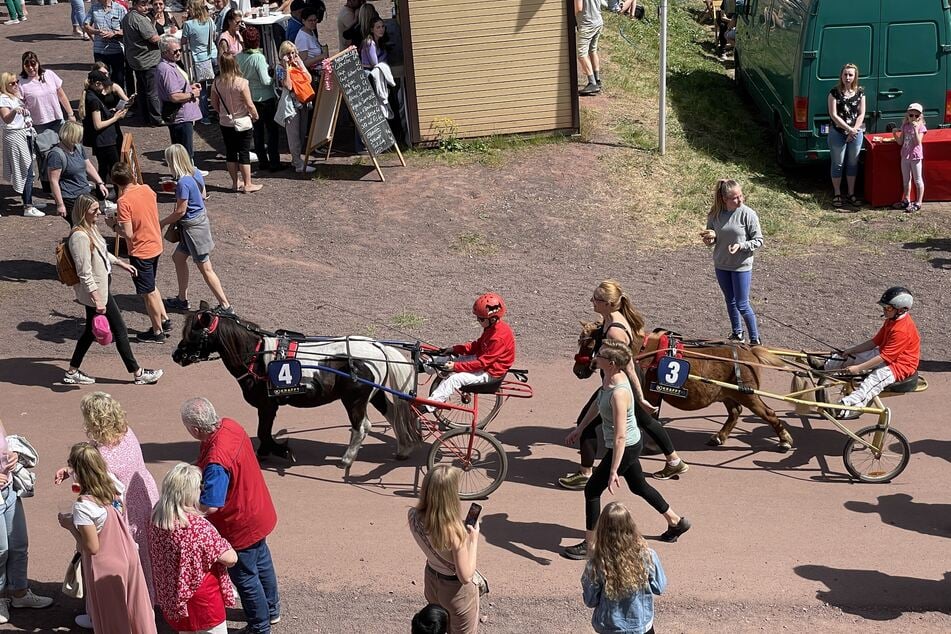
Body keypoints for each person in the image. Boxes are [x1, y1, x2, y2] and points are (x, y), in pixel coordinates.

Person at [563, 340, 691, 560]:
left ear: (611, 363)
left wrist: (613, 470)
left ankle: (590, 545)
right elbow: (597, 402)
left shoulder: (619, 393)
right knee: (639, 486)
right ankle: (676, 522)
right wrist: (581, 428)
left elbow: (621, 437)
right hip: (627, 445)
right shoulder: (609, 378)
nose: (596, 357)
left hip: (626, 447)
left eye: (601, 355)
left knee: (592, 490)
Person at [559, 281, 688, 491]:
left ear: (609, 303)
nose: (591, 301)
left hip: (619, 382)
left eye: (596, 299)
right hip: (622, 379)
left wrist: (639, 395)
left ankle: (585, 473)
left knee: (586, 422)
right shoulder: (611, 318)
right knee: (645, 420)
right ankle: (674, 461)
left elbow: (627, 364)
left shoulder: (614, 332)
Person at [180, 397, 281, 634]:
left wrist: (184, 510)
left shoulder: (216, 461)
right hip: (258, 511)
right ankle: (272, 610)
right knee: (263, 562)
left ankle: (259, 626)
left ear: (195, 429)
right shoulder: (230, 426)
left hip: (238, 525)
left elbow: (211, 505)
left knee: (245, 577)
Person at [64, 194, 164, 386]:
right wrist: (98, 299)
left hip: (100, 291)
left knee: (89, 333)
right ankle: (138, 372)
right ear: (83, 212)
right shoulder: (79, 237)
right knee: (120, 330)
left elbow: (102, 252)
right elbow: (84, 272)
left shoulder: (90, 230)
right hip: (98, 294)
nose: (99, 213)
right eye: (94, 210)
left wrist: (120, 263)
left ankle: (72, 371)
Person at [57, 443, 156, 634]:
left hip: (105, 566)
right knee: (137, 612)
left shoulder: (83, 506)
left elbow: (91, 547)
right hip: (128, 554)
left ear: (77, 471)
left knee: (113, 620)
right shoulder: (113, 485)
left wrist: (70, 526)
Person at [70, 392, 159, 603]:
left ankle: (128, 602)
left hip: (123, 506)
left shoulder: (98, 452)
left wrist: (72, 472)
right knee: (148, 550)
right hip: (145, 495)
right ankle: (150, 598)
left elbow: (91, 476)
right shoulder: (128, 433)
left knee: (123, 554)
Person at [149, 463, 238, 634]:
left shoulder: (157, 516)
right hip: (203, 597)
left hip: (173, 594)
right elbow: (230, 558)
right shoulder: (197, 527)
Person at [821, 287, 921, 419]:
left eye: (888, 308)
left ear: (901, 309)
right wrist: (851, 350)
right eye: (884, 307)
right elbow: (874, 342)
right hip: (884, 354)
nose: (885, 310)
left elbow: (884, 357)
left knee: (873, 380)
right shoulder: (890, 320)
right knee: (853, 356)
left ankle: (848, 407)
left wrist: (858, 368)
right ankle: (825, 367)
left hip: (900, 366)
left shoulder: (902, 330)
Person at [160, 144, 235, 314]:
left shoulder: (183, 183)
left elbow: (180, 211)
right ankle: (182, 299)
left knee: (206, 269)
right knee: (178, 258)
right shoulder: (194, 173)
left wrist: (162, 222)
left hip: (193, 231)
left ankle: (226, 306)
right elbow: (201, 195)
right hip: (196, 227)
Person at [408, 465, 481, 634]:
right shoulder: (455, 533)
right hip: (455, 591)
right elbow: (466, 576)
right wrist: (474, 539)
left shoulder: (413, 515)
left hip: (431, 579)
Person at [108, 162, 172, 342]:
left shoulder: (124, 201)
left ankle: (157, 331)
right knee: (151, 285)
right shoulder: (147, 189)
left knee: (147, 292)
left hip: (141, 250)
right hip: (155, 243)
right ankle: (164, 318)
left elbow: (127, 233)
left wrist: (113, 225)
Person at [582, 502, 666, 634]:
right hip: (641, 625)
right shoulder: (647, 555)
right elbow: (659, 587)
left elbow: (590, 600)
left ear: (601, 528)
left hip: (610, 627)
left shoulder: (596, 562)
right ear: (630, 526)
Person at [0, 421, 53, 625]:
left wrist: (12, 454)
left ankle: (20, 593)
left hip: (9, 490)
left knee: (19, 544)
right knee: (1, 551)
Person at [700, 178, 763, 345]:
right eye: (735, 198)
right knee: (730, 300)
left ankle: (755, 339)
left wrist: (741, 246)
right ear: (724, 199)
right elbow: (712, 236)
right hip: (721, 264)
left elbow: (758, 240)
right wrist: (710, 239)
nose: (740, 200)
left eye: (741, 196)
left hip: (741, 266)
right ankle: (737, 333)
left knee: (742, 304)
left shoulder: (748, 214)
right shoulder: (715, 215)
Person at [427, 293, 515, 404]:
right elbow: (477, 346)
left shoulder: (499, 338)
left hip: (489, 373)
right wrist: (455, 349)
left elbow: (482, 363)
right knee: (450, 358)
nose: (478, 320)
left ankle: (428, 406)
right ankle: (424, 366)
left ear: (492, 319)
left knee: (454, 379)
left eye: (480, 319)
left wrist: (456, 366)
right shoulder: (491, 328)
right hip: (481, 361)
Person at [211, 52, 262, 193]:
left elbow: (214, 104)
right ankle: (248, 184)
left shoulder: (217, 82)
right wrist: (255, 115)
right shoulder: (241, 82)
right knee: (244, 152)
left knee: (231, 152)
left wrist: (222, 112)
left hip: (225, 122)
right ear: (235, 64)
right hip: (242, 121)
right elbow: (249, 104)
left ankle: (235, 182)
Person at [47, 121, 109, 226]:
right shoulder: (56, 155)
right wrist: (60, 204)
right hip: (70, 198)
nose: (81, 138)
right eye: (79, 135)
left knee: (89, 225)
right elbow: (53, 181)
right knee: (80, 226)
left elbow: (88, 166)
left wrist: (100, 183)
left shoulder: (78, 148)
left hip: (84, 194)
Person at [0, 72, 44, 217]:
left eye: (16, 82)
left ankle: (28, 199)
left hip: (27, 133)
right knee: (25, 169)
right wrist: (14, 111)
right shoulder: (3, 99)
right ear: (4, 85)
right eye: (11, 83)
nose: (15, 85)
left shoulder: (17, 95)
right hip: (15, 135)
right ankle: (28, 206)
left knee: (30, 169)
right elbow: (6, 119)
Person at [238, 26, 282, 172]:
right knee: (272, 131)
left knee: (257, 132)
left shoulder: (239, 57)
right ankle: (274, 162)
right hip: (265, 98)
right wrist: (274, 74)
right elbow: (265, 80)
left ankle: (263, 161)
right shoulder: (258, 57)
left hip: (250, 97)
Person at [155, 35, 203, 161]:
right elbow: (174, 96)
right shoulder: (167, 70)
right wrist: (192, 94)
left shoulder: (171, 65)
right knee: (185, 151)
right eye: (175, 51)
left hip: (181, 115)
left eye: (180, 50)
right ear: (165, 52)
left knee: (183, 150)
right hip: (179, 116)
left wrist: (189, 87)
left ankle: (189, 172)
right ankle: (188, 175)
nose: (179, 53)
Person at [827, 63, 866, 209]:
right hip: (838, 132)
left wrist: (854, 130)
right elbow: (834, 115)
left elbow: (862, 113)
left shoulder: (860, 92)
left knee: (852, 163)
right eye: (845, 74)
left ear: (855, 76)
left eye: (850, 75)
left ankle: (851, 193)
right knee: (838, 163)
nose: (847, 77)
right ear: (841, 75)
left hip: (856, 133)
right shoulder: (834, 93)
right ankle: (837, 193)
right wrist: (849, 129)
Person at [82, 69, 128, 186]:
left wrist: (110, 112)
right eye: (103, 85)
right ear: (97, 84)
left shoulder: (92, 95)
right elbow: (98, 125)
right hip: (105, 141)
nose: (105, 88)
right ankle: (112, 195)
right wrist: (115, 118)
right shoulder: (93, 100)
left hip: (103, 141)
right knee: (113, 170)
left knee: (104, 168)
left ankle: (102, 195)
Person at [275, 41, 316, 174]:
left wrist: (301, 65)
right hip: (290, 105)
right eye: (288, 53)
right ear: (283, 55)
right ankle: (298, 164)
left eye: (293, 53)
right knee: (294, 136)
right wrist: (286, 67)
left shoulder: (297, 64)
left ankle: (297, 159)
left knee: (302, 132)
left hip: (302, 103)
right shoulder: (280, 68)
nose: (291, 56)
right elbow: (288, 86)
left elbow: (308, 79)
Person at [122, 0, 163, 125]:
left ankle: (144, 116)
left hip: (136, 60)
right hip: (148, 60)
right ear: (135, 5)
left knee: (142, 89)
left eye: (146, 4)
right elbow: (153, 38)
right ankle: (156, 119)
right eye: (143, 5)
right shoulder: (139, 19)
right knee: (152, 91)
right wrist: (168, 38)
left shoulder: (128, 17)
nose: (146, 8)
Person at [19, 51, 76, 134]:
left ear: (38, 63)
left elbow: (61, 95)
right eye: (27, 65)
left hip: (57, 119)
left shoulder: (49, 74)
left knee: (63, 145)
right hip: (39, 124)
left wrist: (70, 114)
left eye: (33, 64)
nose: (31, 68)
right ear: (23, 67)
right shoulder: (21, 83)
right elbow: (21, 105)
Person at [181, 0, 217, 124]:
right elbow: (213, 36)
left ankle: (205, 116)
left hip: (200, 59)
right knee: (215, 85)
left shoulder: (188, 24)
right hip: (213, 54)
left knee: (201, 89)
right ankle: (218, 110)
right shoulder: (210, 21)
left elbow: (183, 41)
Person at [84, 0, 129, 88]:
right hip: (99, 51)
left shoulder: (120, 9)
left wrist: (114, 34)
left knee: (118, 79)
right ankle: (103, 100)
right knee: (100, 79)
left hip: (116, 50)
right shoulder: (94, 8)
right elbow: (86, 25)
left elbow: (127, 29)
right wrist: (96, 32)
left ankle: (118, 99)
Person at [891, 102, 927, 213]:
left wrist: (915, 129)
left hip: (915, 156)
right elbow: (900, 142)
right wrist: (894, 134)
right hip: (905, 155)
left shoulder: (921, 127)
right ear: (907, 115)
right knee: (906, 180)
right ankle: (906, 199)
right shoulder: (905, 126)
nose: (913, 118)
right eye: (911, 115)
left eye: (916, 116)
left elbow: (917, 142)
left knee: (918, 179)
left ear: (920, 116)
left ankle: (918, 202)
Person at [575, 0, 602, 96]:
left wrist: (571, 17)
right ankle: (597, 80)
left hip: (587, 24)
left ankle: (592, 83)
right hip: (597, 21)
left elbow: (579, 7)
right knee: (592, 50)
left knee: (581, 54)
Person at [295, 6, 327, 71]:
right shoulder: (302, 38)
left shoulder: (310, 31)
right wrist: (321, 56)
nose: (313, 23)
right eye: (310, 20)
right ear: (303, 21)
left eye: (315, 20)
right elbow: (304, 63)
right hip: (313, 73)